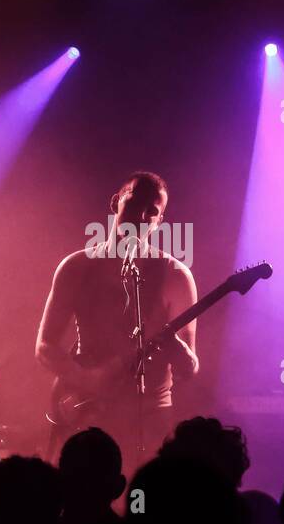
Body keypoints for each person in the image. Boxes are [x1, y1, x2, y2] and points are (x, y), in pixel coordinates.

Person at [36, 171, 198, 476]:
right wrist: (87, 379)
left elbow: (189, 367)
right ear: (115, 203)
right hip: (85, 413)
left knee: (146, 504)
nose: (143, 216)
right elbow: (45, 346)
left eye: (154, 212)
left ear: (160, 221)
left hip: (149, 415)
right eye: (135, 203)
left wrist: (175, 347)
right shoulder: (76, 267)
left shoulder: (175, 276)